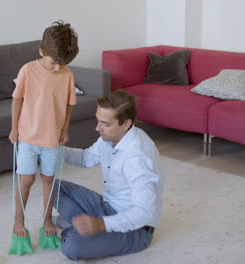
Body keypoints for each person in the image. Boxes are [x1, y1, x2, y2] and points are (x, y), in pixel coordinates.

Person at [53, 90, 164, 260]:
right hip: (108, 207)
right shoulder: (111, 137)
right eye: (98, 121)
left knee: (72, 247)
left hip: (136, 229)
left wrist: (100, 224)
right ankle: (79, 226)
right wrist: (54, 152)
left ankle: (74, 226)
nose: (98, 128)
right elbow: (86, 158)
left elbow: (145, 212)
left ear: (125, 124)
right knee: (54, 187)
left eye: (105, 123)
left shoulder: (138, 156)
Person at [8, 20, 79, 238]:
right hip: (28, 137)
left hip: (53, 140)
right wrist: (14, 128)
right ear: (42, 51)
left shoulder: (66, 74)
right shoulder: (27, 70)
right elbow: (17, 100)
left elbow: (69, 105)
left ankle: (47, 219)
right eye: (53, 62)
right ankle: (19, 220)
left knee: (49, 180)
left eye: (63, 63)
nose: (58, 67)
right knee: (26, 180)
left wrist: (65, 129)